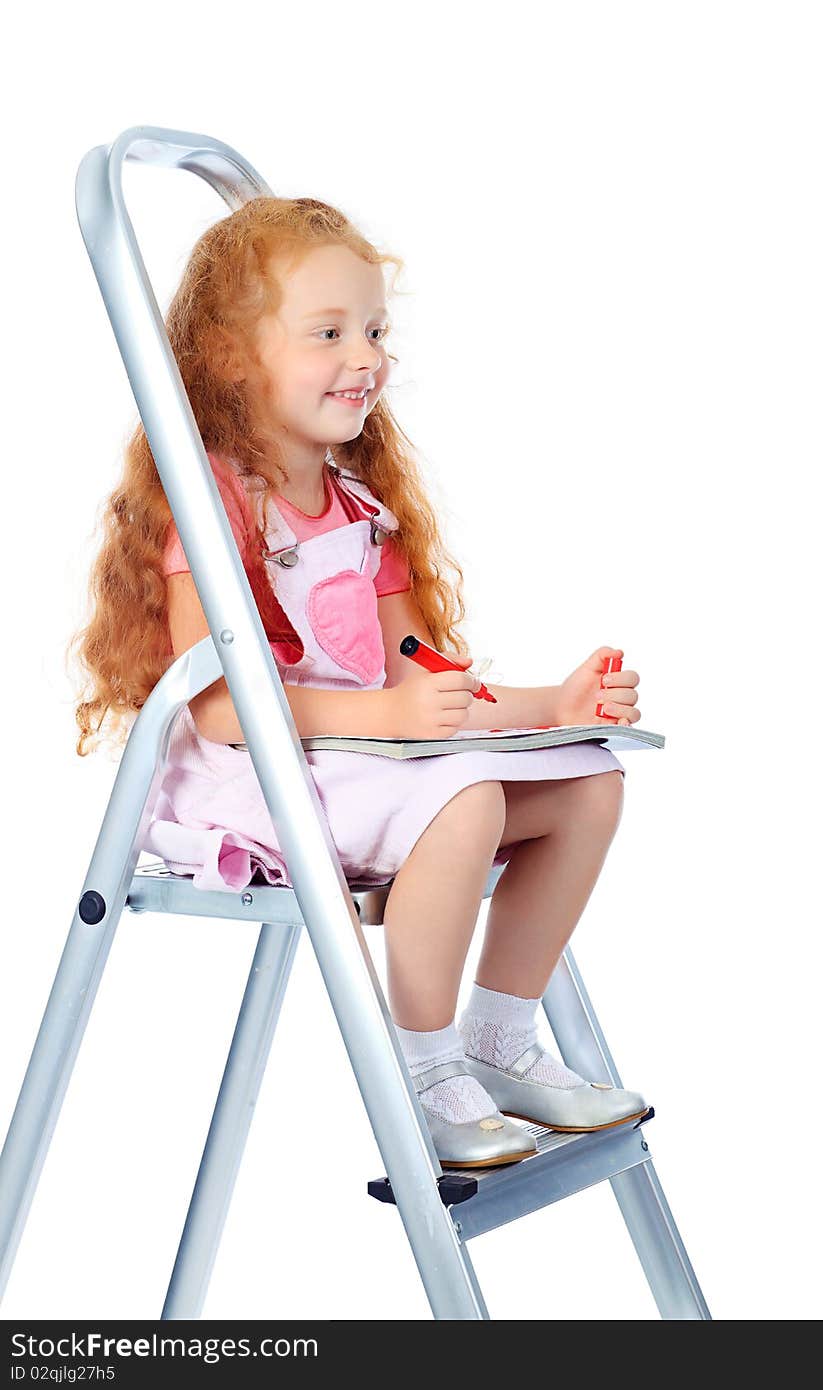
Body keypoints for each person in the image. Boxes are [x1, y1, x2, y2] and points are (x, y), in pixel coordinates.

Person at [68, 196, 649, 1167]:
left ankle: (498, 1043)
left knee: (589, 782)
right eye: (328, 332)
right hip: (254, 773)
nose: (366, 355)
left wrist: (552, 707)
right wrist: (390, 715)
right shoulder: (213, 503)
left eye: (374, 329)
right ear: (226, 358)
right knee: (462, 801)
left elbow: (424, 673)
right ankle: (424, 1072)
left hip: (361, 757)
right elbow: (215, 706)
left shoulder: (362, 510)